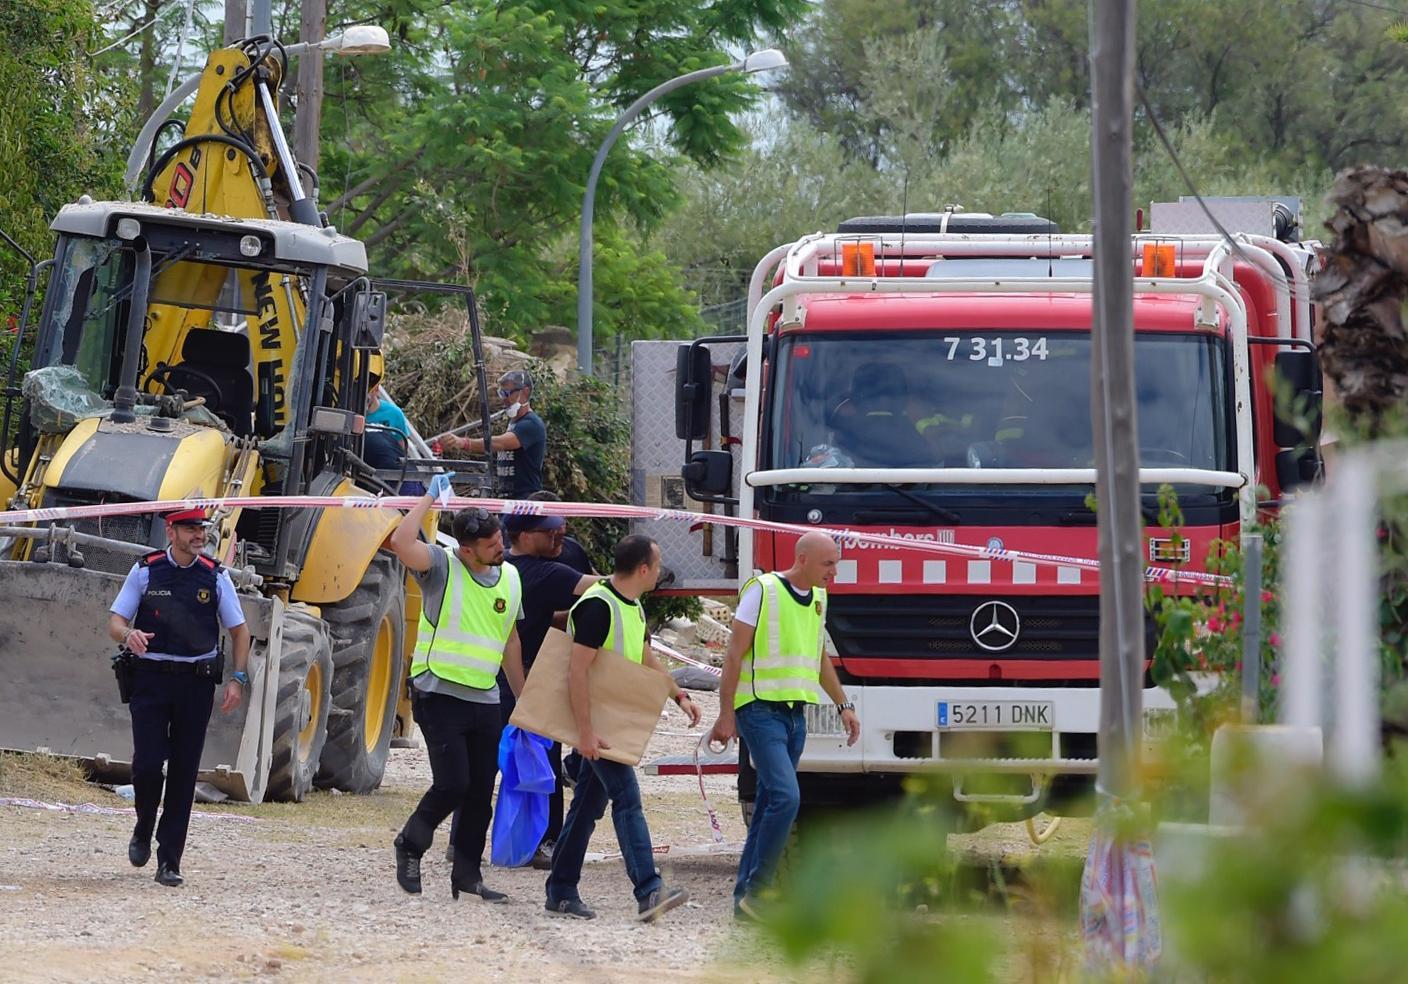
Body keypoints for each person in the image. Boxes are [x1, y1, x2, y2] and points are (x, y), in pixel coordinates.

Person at [706, 530, 861, 921]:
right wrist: (726, 715)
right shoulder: (764, 590)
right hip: (759, 711)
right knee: (787, 797)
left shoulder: (819, 598)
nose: (834, 571)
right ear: (803, 558)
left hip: (795, 715)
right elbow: (733, 654)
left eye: (836, 563)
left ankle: (746, 899)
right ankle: (759, 893)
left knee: (769, 804)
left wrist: (844, 704)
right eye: (828, 563)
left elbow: (818, 657)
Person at [386, 472, 526, 903]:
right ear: (466, 550)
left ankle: (467, 873)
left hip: (484, 696)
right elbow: (400, 543)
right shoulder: (442, 566)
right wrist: (430, 496)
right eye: (490, 545)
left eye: (500, 539)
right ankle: (410, 844)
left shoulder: (510, 577)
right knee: (453, 783)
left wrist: (524, 701)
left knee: (482, 790)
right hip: (438, 692)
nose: (500, 547)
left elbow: (510, 642)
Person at [545, 534, 700, 922]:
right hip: (598, 725)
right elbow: (575, 672)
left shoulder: (631, 606)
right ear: (643, 569)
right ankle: (648, 890)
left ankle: (560, 891)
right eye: (658, 563)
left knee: (586, 808)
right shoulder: (599, 606)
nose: (661, 571)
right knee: (627, 800)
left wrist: (679, 696)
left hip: (609, 722)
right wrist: (584, 733)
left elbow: (646, 656)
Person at [107, 507, 251, 888]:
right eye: (189, 529)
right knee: (148, 765)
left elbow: (240, 631)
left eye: (200, 529)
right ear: (171, 532)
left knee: (185, 772)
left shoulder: (215, 577)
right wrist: (128, 636)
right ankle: (143, 825)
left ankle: (169, 859)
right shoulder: (145, 570)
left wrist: (238, 678)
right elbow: (115, 621)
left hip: (195, 684)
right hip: (150, 680)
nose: (198, 536)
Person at [502, 511, 605, 868]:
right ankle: (547, 841)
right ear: (527, 535)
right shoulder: (548, 572)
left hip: (495, 676)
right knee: (544, 762)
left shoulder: (501, 565)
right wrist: (642, 569)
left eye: (563, 531)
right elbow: (606, 586)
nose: (561, 539)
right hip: (528, 675)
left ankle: (465, 840)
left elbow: (540, 614)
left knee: (486, 763)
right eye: (553, 533)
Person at [442, 370, 546, 498]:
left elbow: (501, 443)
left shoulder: (531, 424)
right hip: (506, 499)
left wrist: (464, 442)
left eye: (507, 393)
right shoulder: (513, 424)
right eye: (501, 393)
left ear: (525, 392)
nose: (504, 399)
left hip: (525, 501)